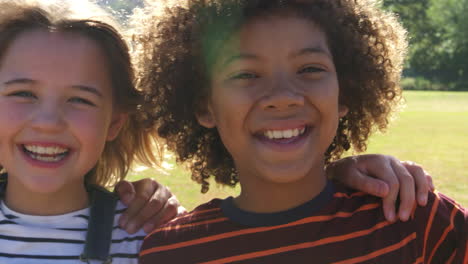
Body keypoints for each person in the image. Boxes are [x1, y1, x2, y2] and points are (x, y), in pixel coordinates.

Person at [138, 0, 468, 263]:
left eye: (310, 68)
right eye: (245, 74)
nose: (283, 96)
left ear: (345, 91)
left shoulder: (416, 222)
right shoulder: (169, 253)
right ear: (204, 106)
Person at [0, 0, 163, 262]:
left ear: (114, 124)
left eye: (79, 100)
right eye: (23, 93)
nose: (48, 122)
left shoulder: (149, 242)